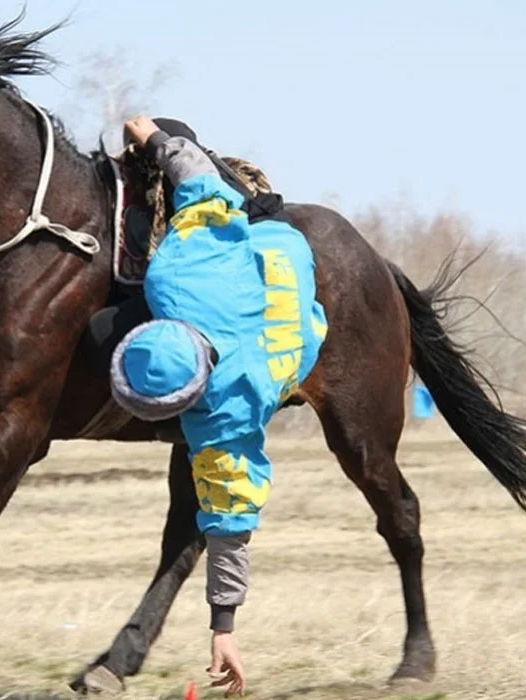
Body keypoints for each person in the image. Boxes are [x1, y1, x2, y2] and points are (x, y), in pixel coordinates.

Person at [109, 116, 329, 696]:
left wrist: (224, 628)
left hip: (289, 294)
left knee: (308, 334)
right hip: (265, 249)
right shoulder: (178, 273)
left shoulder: (227, 416)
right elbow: (199, 175)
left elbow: (231, 521)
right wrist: (153, 136)